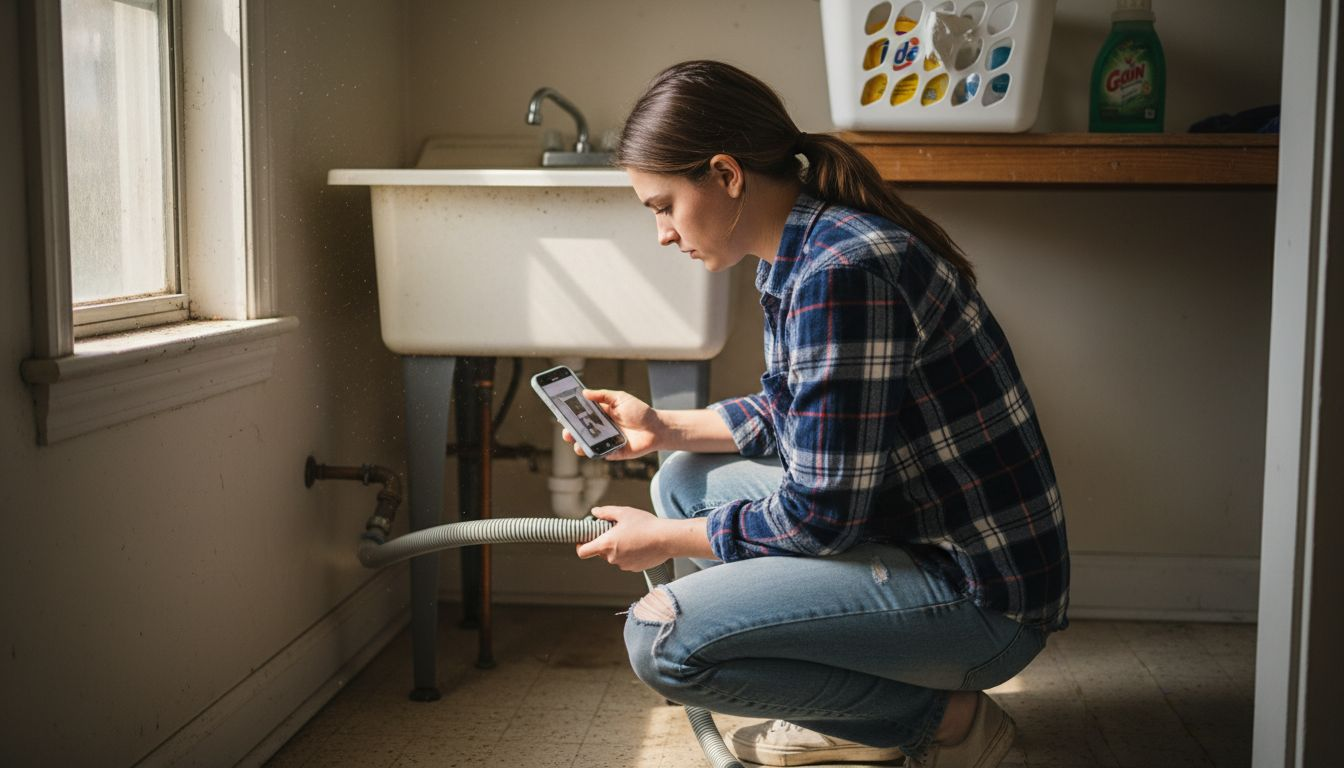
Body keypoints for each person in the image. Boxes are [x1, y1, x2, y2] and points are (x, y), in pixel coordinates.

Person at [564, 60, 1069, 768]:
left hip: (979, 600)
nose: (663, 234)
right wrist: (666, 426)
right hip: (912, 530)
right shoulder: (799, 249)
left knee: (663, 641)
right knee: (682, 478)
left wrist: (667, 539)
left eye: (662, 205)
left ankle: (937, 718)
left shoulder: (842, 272)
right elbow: (791, 407)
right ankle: (852, 706)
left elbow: (820, 516)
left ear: (726, 175)